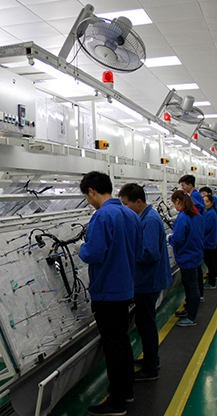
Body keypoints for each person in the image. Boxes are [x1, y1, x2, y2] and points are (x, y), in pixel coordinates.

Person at [78, 171, 143, 416]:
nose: (88, 201)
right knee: (122, 340)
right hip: (125, 287)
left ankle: (116, 402)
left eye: (87, 197)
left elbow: (93, 253)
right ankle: (126, 391)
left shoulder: (102, 216)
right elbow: (137, 249)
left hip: (107, 291)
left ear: (92, 191)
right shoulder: (131, 214)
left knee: (112, 346)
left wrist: (81, 248)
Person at [118, 183, 172, 381]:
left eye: (126, 204)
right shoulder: (145, 217)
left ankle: (151, 368)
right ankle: (151, 359)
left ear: (138, 202)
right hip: (147, 279)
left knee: (146, 324)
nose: (124, 208)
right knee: (144, 323)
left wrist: (127, 254)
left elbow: (150, 253)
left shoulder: (149, 221)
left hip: (148, 281)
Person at [168, 190, 204, 327]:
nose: (174, 206)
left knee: (192, 287)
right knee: (190, 286)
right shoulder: (196, 215)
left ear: (178, 201)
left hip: (187, 256)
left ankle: (191, 317)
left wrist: (169, 238)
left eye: (173, 203)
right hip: (195, 253)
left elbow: (178, 238)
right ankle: (189, 309)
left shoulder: (183, 217)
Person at [178, 175, 205, 300]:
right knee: (196, 273)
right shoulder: (195, 195)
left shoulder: (194, 197)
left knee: (192, 282)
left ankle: (194, 303)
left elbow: (195, 213)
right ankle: (198, 297)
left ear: (190, 185)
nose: (182, 188)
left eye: (183, 185)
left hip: (190, 250)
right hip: (196, 243)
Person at [202, 195, 217, 288]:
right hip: (209, 241)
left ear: (212, 203)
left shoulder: (210, 214)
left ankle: (212, 282)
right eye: (204, 201)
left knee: (210, 263)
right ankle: (212, 279)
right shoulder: (210, 212)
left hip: (208, 242)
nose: (205, 203)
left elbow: (205, 228)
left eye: (207, 201)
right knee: (211, 262)